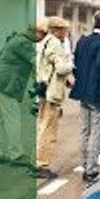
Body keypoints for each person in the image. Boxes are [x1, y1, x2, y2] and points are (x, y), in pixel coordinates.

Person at [0, 23, 40, 170]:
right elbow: (37, 63)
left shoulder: (16, 39)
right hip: (5, 85)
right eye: (41, 34)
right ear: (34, 32)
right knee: (12, 119)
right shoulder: (23, 43)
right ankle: (17, 155)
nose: (42, 38)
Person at [70, 10, 100, 183]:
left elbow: (76, 64)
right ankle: (91, 170)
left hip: (82, 91)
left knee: (85, 130)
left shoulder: (83, 41)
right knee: (97, 130)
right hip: (97, 92)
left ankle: (85, 164)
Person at [35, 17, 73, 179]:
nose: (66, 33)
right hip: (51, 93)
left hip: (43, 90)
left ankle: (38, 161)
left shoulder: (43, 43)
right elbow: (61, 68)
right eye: (64, 30)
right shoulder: (55, 44)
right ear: (57, 30)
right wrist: (71, 64)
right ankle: (40, 163)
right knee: (48, 129)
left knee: (42, 126)